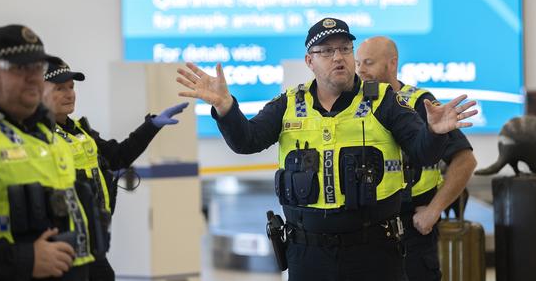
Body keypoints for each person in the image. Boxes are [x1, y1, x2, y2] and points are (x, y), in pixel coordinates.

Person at [176, 18, 477, 281]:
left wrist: (435, 133)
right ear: (310, 61)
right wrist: (225, 107)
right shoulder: (289, 103)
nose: (339, 58)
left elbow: (422, 152)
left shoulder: (383, 100)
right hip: (307, 254)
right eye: (327, 51)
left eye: (345, 49)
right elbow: (247, 141)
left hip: (373, 251)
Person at [0, 25, 98, 280]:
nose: (34, 77)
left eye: (37, 68)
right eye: (20, 69)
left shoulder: (41, 130)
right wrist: (24, 260)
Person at [41, 56, 188, 281]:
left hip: (92, 240)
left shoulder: (81, 130)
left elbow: (118, 157)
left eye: (71, 87)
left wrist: (152, 126)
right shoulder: (36, 136)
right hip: (59, 243)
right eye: (59, 88)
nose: (69, 93)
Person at [356, 36, 477, 281]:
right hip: (365, 232)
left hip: (411, 229)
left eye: (368, 63)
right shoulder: (353, 105)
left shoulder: (421, 103)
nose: (360, 71)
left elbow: (465, 161)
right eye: (357, 63)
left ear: (392, 63)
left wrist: (434, 210)